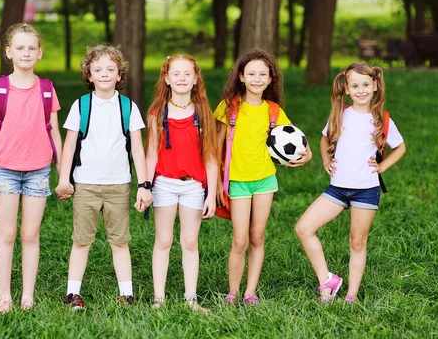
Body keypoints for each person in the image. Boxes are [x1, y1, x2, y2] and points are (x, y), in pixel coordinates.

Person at [295, 62, 406, 303]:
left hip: (366, 190)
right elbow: (325, 139)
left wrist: (381, 167)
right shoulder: (340, 114)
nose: (361, 90)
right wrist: (326, 159)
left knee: (357, 241)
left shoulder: (382, 120)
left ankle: (351, 295)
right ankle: (327, 280)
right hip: (338, 188)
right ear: (346, 88)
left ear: (375, 85)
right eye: (355, 86)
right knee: (303, 228)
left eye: (366, 85)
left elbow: (400, 147)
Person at [55, 45, 152, 309]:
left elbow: (138, 148)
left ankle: (127, 294)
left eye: (111, 69)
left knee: (120, 241)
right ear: (89, 75)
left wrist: (144, 185)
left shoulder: (128, 107)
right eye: (98, 69)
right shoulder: (81, 106)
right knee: (81, 240)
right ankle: (72, 294)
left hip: (118, 185)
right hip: (85, 184)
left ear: (120, 75)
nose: (105, 74)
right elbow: (70, 145)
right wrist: (65, 179)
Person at [214, 49, 312, 305]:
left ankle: (250, 292)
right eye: (251, 74)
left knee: (257, 236)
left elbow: (296, 139)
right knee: (240, 238)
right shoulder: (229, 107)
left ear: (270, 79)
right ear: (241, 78)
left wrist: (307, 156)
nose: (257, 79)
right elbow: (214, 148)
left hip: (265, 180)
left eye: (262, 74)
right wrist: (214, 180)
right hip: (237, 181)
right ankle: (233, 292)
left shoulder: (273, 110)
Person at [0, 23, 63, 313]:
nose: (25, 53)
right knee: (7, 234)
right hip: (4, 170)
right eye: (19, 48)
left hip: (39, 170)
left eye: (31, 48)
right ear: (8, 52)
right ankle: (5, 296)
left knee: (30, 234)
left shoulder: (47, 89)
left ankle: (27, 295)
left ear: (39, 53)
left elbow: (54, 133)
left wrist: (63, 174)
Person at [145, 55, 218, 314]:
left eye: (188, 74)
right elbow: (152, 153)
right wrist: (146, 185)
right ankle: (159, 299)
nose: (182, 78)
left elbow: (210, 157)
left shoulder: (203, 113)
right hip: (164, 183)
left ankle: (190, 299)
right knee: (163, 240)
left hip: (193, 186)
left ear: (196, 78)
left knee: (190, 242)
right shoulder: (157, 112)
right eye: (176, 74)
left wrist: (212, 194)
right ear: (166, 78)